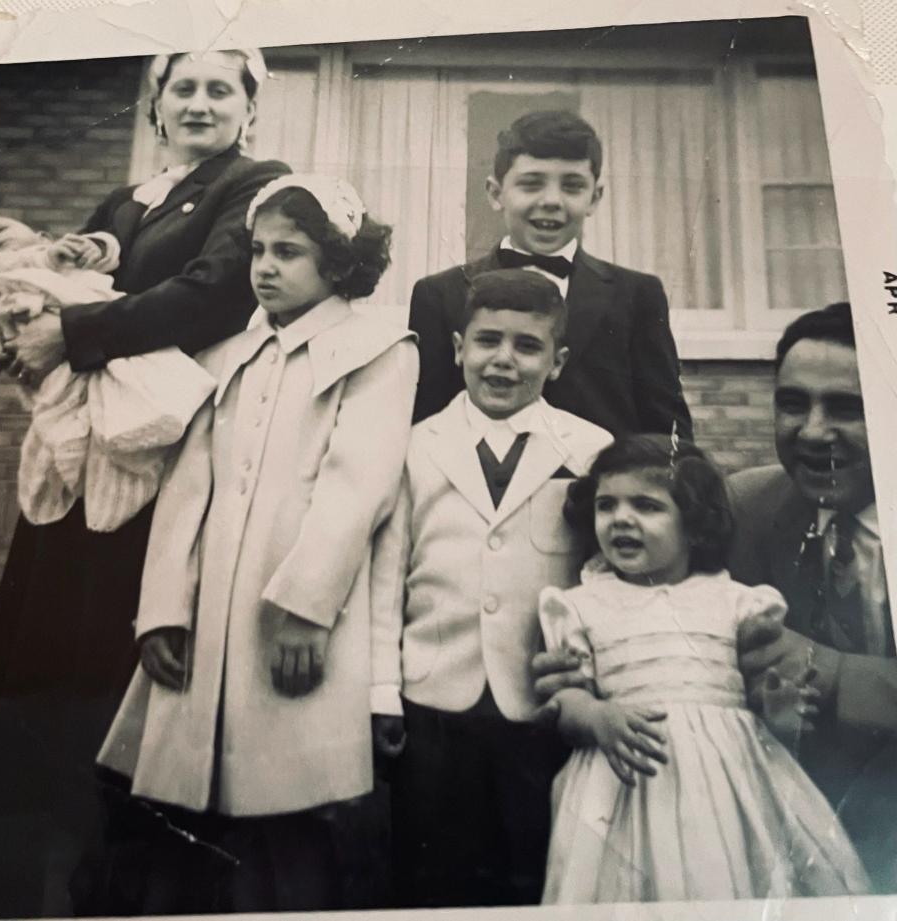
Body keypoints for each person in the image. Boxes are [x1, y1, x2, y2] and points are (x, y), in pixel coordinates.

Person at [0, 49, 289, 917]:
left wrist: (72, 333)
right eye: (185, 87)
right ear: (157, 107)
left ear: (249, 106)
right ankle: (57, 868)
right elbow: (44, 282)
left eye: (222, 88)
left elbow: (214, 293)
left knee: (120, 664)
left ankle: (126, 874)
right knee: (52, 674)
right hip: (76, 455)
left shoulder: (254, 184)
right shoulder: (123, 201)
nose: (202, 102)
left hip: (160, 452)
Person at [95, 174, 418, 914]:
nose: (265, 267)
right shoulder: (228, 356)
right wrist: (163, 610)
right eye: (259, 251)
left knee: (288, 818)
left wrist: (306, 607)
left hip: (293, 621)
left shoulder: (380, 350)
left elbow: (357, 487)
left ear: (338, 265)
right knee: (186, 824)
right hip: (211, 620)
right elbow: (186, 491)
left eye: (290, 253)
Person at [537, 434, 868, 903]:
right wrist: (598, 718)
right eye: (606, 505)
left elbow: (758, 697)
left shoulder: (734, 600)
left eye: (647, 506)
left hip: (725, 785)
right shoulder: (582, 605)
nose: (621, 519)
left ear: (693, 526)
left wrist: (779, 710)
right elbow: (566, 702)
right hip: (621, 779)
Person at [370, 268, 612, 907]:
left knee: (532, 874)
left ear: (557, 361)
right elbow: (385, 578)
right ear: (457, 349)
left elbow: (604, 578)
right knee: (429, 877)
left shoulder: (590, 450)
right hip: (432, 704)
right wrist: (381, 691)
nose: (504, 360)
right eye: (487, 341)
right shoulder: (413, 447)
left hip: (542, 709)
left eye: (527, 347)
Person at [728, 302, 897, 891]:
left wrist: (825, 670)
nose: (813, 431)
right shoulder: (747, 506)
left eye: (848, 408)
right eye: (793, 403)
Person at [408, 109, 692, 439]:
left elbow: (667, 427)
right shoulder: (440, 294)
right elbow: (426, 422)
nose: (552, 201)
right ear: (495, 193)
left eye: (572, 186)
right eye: (531, 184)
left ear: (595, 197)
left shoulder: (637, 294)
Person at [0, 216, 216, 533]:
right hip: (63, 345)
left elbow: (109, 250)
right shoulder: (9, 267)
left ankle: (125, 454)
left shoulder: (63, 250)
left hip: (97, 330)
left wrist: (95, 246)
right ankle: (83, 462)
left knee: (133, 386)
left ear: (41, 233)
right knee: (63, 408)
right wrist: (36, 263)